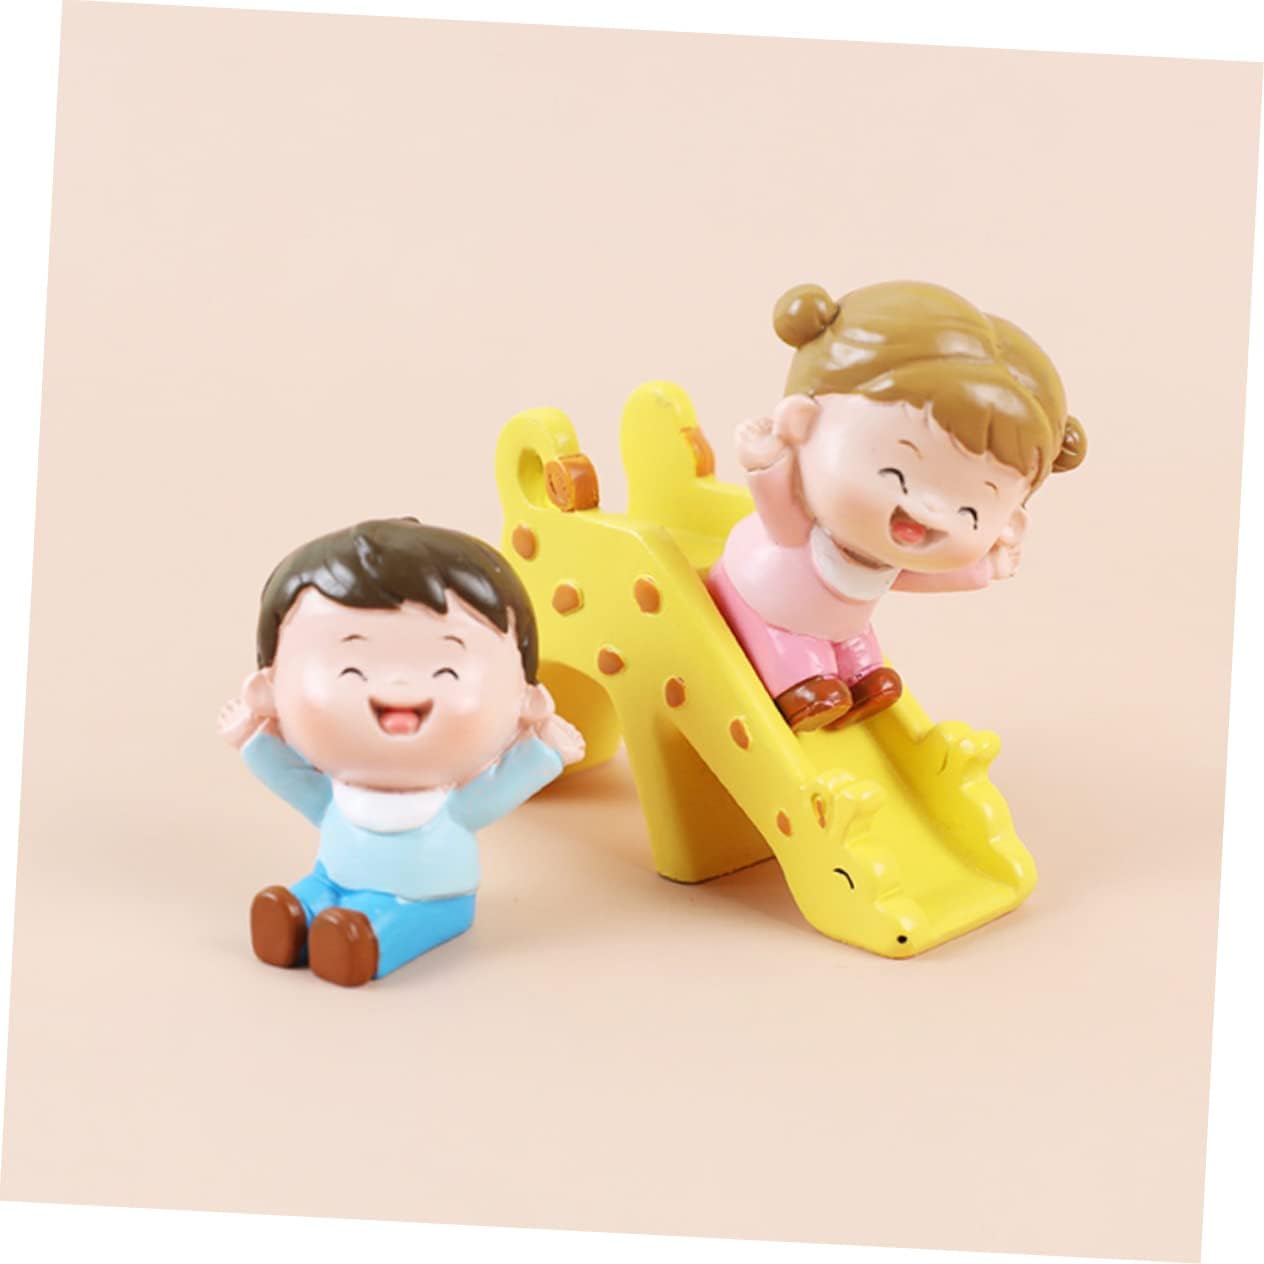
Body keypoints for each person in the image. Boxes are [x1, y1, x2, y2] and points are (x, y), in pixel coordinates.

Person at [707, 280, 1087, 732]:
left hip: (844, 624)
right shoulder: (802, 534)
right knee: (792, 646)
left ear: (1010, 522)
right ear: (801, 423)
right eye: (896, 475)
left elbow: (922, 577)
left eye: (970, 513)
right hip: (764, 600)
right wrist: (767, 462)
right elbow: (781, 515)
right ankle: (803, 684)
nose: (929, 511)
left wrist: (987, 567)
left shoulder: (888, 557)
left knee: (859, 650)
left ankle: (863, 679)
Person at [218, 517, 584, 986]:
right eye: (351, 669)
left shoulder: (448, 808)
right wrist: (253, 738)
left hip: (431, 896)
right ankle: (297, 917)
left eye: (446, 671)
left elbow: (499, 788)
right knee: (314, 893)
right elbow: (294, 780)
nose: (398, 685)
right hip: (332, 874)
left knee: (388, 919)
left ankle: (365, 943)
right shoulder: (337, 797)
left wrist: (545, 751)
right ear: (268, 690)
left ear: (525, 699)